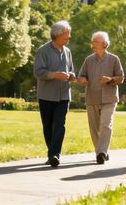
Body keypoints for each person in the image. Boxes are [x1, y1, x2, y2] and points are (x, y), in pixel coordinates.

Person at [77, 31, 125, 164]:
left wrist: (110, 79)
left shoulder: (114, 59)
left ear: (105, 44)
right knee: (94, 128)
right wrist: (82, 80)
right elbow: (81, 75)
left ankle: (101, 152)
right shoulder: (88, 60)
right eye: (92, 41)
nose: (93, 44)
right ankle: (101, 150)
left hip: (109, 98)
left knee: (105, 125)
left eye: (96, 42)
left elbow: (121, 78)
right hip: (92, 98)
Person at [33, 21, 76, 167]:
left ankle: (54, 154)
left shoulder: (67, 51)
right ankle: (52, 152)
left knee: (59, 124)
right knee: (48, 126)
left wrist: (72, 75)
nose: (69, 37)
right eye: (67, 34)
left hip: (64, 95)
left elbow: (71, 69)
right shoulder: (43, 51)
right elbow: (38, 72)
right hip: (46, 95)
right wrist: (55, 75)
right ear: (57, 35)